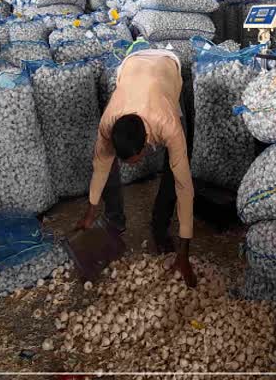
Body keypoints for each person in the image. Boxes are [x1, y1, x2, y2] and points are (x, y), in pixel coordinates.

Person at [76, 48, 197, 288]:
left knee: (176, 172)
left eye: (132, 160)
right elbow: (100, 164)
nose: (129, 164)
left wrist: (184, 252)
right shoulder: (109, 122)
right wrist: (90, 211)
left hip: (166, 66)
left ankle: (160, 228)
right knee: (105, 162)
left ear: (144, 148)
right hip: (131, 65)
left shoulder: (168, 125)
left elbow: (185, 187)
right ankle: (113, 220)